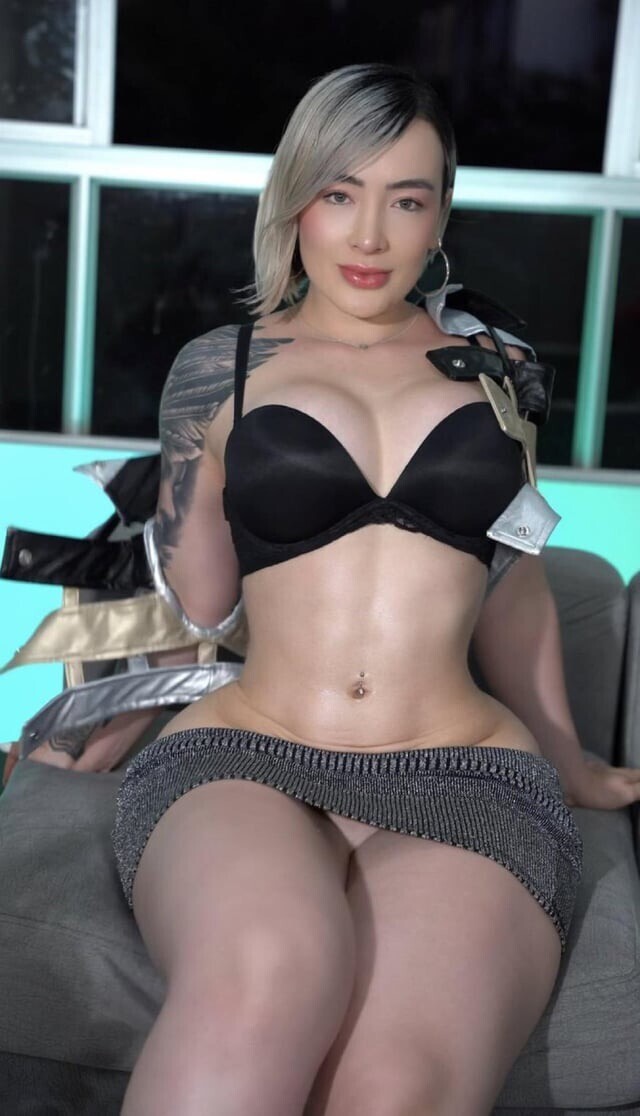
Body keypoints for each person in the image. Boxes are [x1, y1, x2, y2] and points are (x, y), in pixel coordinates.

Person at [9, 62, 640, 1116]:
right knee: (270, 973)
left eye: (407, 200)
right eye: (340, 194)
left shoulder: (497, 363)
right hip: (243, 755)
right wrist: (90, 726)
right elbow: (192, 604)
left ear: (442, 213)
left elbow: (513, 576)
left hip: (465, 769)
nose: (370, 236)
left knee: (392, 1088)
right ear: (295, 197)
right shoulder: (219, 368)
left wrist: (571, 761)